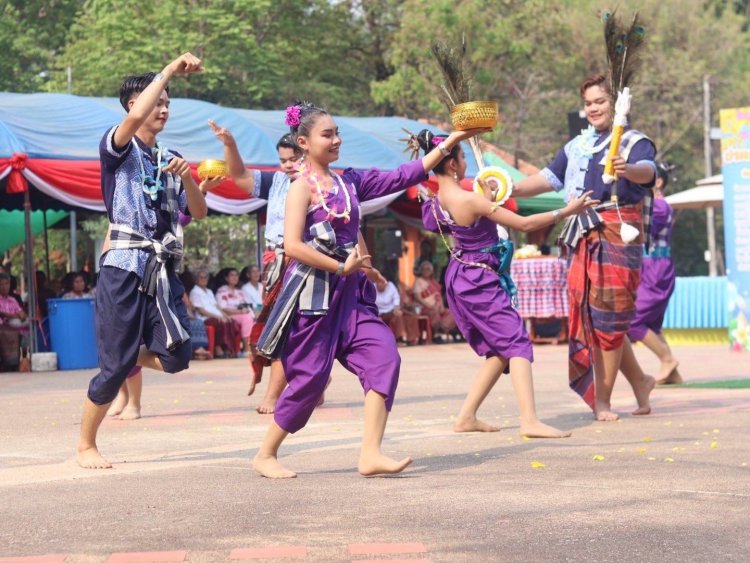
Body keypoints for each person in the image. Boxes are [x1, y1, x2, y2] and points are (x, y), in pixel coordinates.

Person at [252, 101, 488, 478]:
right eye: (327, 134)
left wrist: (453, 140)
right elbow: (293, 246)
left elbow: (402, 175)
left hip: (353, 296)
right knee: (310, 380)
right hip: (315, 297)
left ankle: (371, 454)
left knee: (384, 359)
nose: (336, 140)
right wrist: (338, 265)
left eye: (337, 133)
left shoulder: (350, 183)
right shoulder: (299, 189)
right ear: (304, 141)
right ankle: (266, 453)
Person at [76, 52, 216, 469]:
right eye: (157, 102)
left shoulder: (169, 157)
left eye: (168, 103)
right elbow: (136, 118)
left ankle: (125, 352)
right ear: (132, 108)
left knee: (179, 356)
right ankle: (86, 445)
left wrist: (188, 176)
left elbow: (200, 212)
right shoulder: (116, 146)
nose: (164, 109)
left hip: (162, 269)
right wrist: (170, 69)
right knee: (113, 368)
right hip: (124, 265)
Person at [416, 129, 594, 436]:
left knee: (498, 350)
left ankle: (466, 417)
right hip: (477, 278)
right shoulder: (468, 200)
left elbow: (448, 223)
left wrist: (484, 199)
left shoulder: (436, 201)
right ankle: (529, 420)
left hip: (460, 274)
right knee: (517, 343)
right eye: (461, 158)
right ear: (454, 166)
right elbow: (524, 224)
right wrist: (568, 210)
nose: (464, 163)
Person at [513, 74, 657, 421]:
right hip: (582, 231)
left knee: (609, 314)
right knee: (594, 316)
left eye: (600, 102)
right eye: (588, 103)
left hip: (618, 229)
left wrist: (628, 169)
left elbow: (648, 172)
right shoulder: (578, 145)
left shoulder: (633, 141)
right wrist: (508, 190)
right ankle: (640, 380)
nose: (593, 108)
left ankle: (602, 400)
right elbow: (548, 178)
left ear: (616, 103)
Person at [628, 164, 682, 385]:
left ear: (658, 182)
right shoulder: (656, 205)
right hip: (652, 266)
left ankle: (667, 359)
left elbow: (638, 230)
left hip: (655, 267)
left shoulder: (658, 207)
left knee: (633, 321)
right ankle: (672, 373)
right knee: (651, 323)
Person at [190, 270, 239, 358]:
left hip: (216, 315)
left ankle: (228, 348)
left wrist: (225, 315)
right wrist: (217, 316)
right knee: (218, 322)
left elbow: (217, 306)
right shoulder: (194, 292)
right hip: (204, 318)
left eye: (206, 277)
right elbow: (200, 310)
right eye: (201, 277)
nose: (204, 279)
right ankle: (218, 348)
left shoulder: (209, 291)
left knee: (230, 321)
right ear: (196, 280)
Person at [215, 268, 255, 357]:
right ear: (226, 278)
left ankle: (251, 347)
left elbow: (246, 305)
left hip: (241, 315)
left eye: (236, 275)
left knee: (250, 316)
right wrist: (240, 311)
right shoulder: (222, 290)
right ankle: (246, 348)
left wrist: (247, 311)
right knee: (247, 317)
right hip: (228, 315)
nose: (235, 277)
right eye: (232, 275)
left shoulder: (240, 292)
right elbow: (223, 308)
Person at [412, 261, 456, 342]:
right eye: (424, 269)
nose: (426, 271)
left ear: (432, 271)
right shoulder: (418, 281)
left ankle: (441, 329)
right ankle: (435, 335)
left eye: (428, 269)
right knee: (434, 313)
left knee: (452, 313)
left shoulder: (434, 282)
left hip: (437, 307)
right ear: (421, 271)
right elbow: (418, 298)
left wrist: (441, 307)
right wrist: (431, 306)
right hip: (425, 308)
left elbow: (438, 295)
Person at [375, 274, 419, 346]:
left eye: (382, 282)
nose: (380, 284)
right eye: (378, 282)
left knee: (410, 316)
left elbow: (396, 298)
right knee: (398, 317)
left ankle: (411, 339)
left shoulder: (391, 286)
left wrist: (396, 308)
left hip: (392, 310)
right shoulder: (372, 288)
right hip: (380, 313)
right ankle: (400, 338)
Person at [0, 272, 27, 371]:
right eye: (1, 284)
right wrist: (15, 316)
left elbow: (22, 314)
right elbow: (2, 314)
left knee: (27, 332)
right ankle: (8, 363)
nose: (4, 287)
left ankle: (22, 362)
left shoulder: (13, 300)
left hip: (14, 327)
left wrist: (21, 315)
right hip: (3, 327)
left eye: (6, 284)